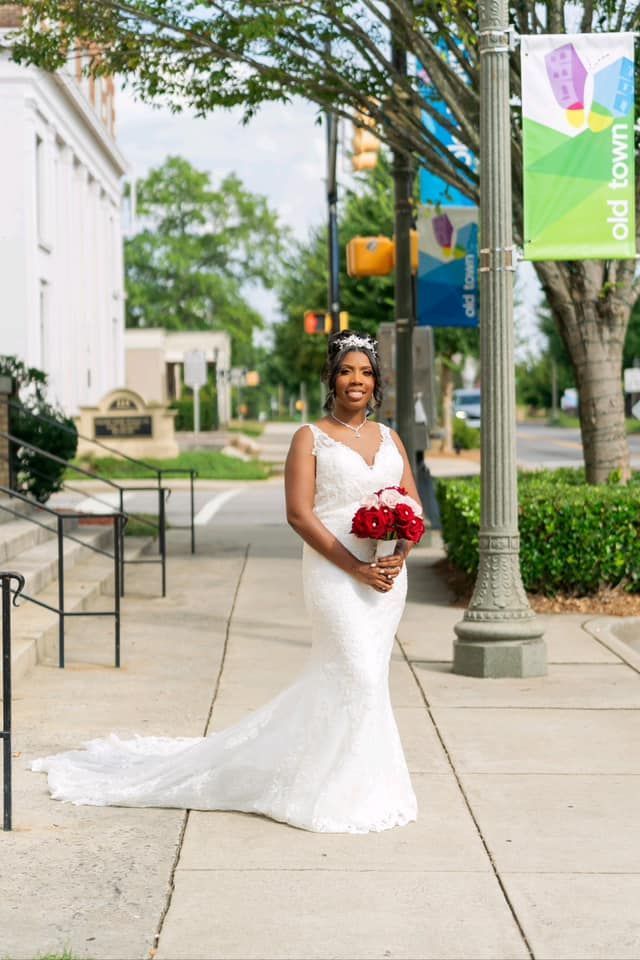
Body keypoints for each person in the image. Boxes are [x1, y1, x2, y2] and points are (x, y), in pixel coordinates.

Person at [31, 330, 423, 834]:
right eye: (347, 370)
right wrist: (356, 566)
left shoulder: (390, 439)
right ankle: (330, 789)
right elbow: (299, 515)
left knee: (363, 679)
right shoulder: (310, 437)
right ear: (331, 377)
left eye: (365, 373)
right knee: (357, 675)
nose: (356, 380)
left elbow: (411, 507)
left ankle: (365, 782)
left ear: (376, 383)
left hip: (387, 580)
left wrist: (399, 553)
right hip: (335, 573)